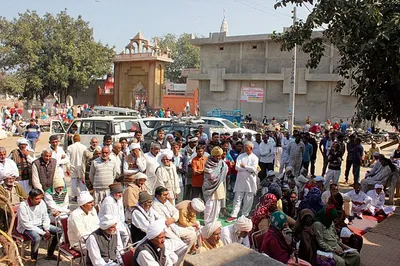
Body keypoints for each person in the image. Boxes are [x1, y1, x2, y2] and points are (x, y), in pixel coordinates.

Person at [17, 188, 61, 261]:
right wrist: (43, 233)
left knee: (59, 231)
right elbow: (27, 225)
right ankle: (33, 259)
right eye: (37, 199)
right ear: (30, 198)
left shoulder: (42, 202)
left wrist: (46, 229)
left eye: (40, 198)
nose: (39, 200)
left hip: (40, 224)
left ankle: (50, 254)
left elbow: (45, 217)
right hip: (27, 228)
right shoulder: (23, 206)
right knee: (37, 238)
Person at [228, 141, 259, 222]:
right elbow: (237, 167)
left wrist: (245, 166)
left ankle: (245, 215)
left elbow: (254, 169)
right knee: (237, 198)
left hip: (250, 181)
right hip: (240, 181)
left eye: (246, 147)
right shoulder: (241, 156)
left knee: (248, 199)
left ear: (251, 148)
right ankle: (234, 215)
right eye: (244, 147)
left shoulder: (255, 158)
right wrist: (248, 169)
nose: (244, 148)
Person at [202, 147, 228, 224]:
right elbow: (210, 175)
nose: (219, 157)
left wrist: (219, 175)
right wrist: (218, 175)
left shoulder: (222, 163)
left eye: (220, 156)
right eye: (217, 156)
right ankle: (207, 222)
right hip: (209, 187)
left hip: (219, 186)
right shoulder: (208, 163)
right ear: (213, 156)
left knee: (217, 205)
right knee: (209, 205)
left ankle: (214, 221)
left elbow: (225, 171)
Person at [66, 134, 88, 199]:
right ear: (79, 139)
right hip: (81, 167)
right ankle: (83, 195)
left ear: (73, 139)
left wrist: (68, 168)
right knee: (82, 182)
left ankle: (75, 196)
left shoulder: (69, 147)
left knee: (73, 182)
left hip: (72, 166)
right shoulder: (84, 147)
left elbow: (67, 159)